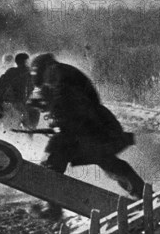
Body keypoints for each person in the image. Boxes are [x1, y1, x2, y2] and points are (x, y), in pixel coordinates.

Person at [28, 53, 145, 219]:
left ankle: (52, 207)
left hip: (90, 126)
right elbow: (59, 99)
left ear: (45, 68)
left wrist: (58, 120)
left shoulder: (60, 75)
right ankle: (143, 194)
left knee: (53, 162)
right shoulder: (61, 73)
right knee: (106, 160)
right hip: (94, 125)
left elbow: (68, 102)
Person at [0, 53, 39, 130]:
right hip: (25, 105)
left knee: (12, 130)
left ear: (16, 62)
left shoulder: (11, 72)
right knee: (30, 129)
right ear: (27, 61)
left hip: (13, 105)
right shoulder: (31, 73)